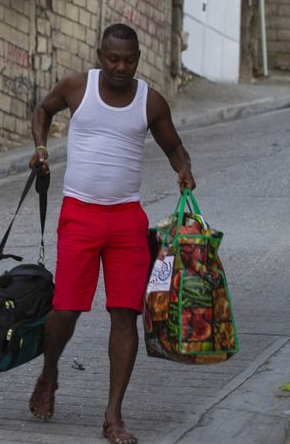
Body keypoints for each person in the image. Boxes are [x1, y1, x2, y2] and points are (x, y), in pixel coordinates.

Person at [26, 24, 195, 444]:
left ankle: (113, 415)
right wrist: (42, 149)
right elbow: (42, 110)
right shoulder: (76, 86)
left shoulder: (149, 100)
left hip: (126, 221)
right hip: (79, 214)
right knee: (66, 309)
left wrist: (184, 169)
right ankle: (49, 373)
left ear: (138, 57)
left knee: (125, 314)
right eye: (113, 58)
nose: (121, 67)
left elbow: (173, 145)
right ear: (100, 54)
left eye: (130, 59)